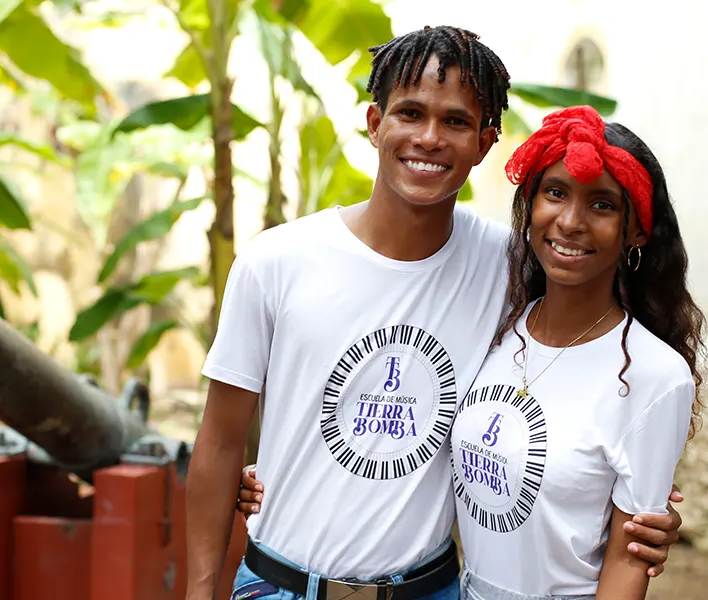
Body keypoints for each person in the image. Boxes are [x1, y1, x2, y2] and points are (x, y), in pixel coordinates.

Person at [186, 24, 683, 600]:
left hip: (431, 589)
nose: (429, 138)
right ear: (376, 124)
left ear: (486, 142)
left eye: (455, 122)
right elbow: (219, 444)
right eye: (410, 113)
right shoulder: (276, 261)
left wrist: (634, 511)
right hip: (280, 586)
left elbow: (582, 362)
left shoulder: (511, 267)